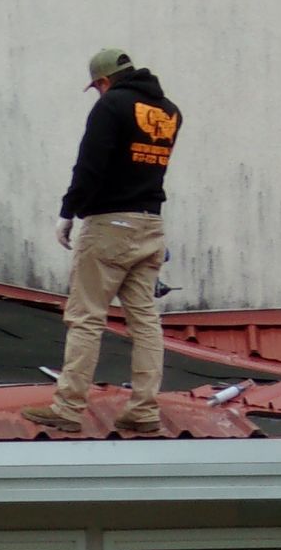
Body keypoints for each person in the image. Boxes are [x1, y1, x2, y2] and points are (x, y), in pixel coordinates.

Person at [22, 48, 183, 437]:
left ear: (105, 80)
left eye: (96, 86)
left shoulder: (111, 106)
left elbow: (90, 164)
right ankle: (143, 410)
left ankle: (68, 407)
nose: (97, 93)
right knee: (144, 320)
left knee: (86, 316)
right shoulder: (170, 111)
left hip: (110, 225)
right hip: (151, 225)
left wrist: (68, 212)